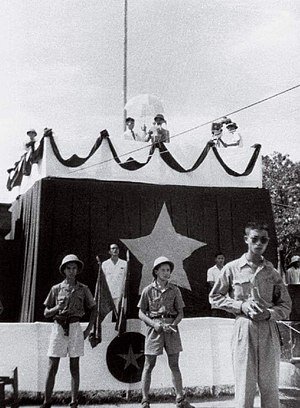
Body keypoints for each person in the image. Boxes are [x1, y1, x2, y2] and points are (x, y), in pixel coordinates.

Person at [209, 221, 292, 408]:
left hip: (268, 329)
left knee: (270, 386)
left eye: (264, 240)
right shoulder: (231, 268)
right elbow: (214, 297)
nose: (259, 243)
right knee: (244, 385)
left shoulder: (272, 272)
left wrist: (270, 313)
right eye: (255, 239)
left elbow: (286, 305)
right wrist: (240, 306)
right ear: (246, 239)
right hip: (244, 328)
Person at [138, 256, 195, 408]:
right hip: (154, 328)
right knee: (148, 365)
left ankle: (180, 399)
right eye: (162, 270)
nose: (166, 273)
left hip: (171, 329)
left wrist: (174, 325)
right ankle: (144, 400)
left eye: (168, 270)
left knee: (174, 365)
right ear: (156, 271)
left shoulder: (174, 290)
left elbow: (180, 313)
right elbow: (141, 313)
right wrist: (153, 324)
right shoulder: (148, 290)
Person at [41, 254, 97, 408]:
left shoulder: (83, 289)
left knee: (74, 366)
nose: (72, 271)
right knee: (52, 365)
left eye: (74, 268)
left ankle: (74, 401)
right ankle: (47, 401)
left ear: (77, 270)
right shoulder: (56, 289)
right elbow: (46, 313)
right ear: (64, 270)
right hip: (59, 327)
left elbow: (94, 309)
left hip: (75, 327)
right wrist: (57, 307)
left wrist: (88, 330)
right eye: (68, 268)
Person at [101, 243, 127, 312]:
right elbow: (103, 280)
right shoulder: (105, 264)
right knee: (108, 316)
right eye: (113, 248)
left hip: (120, 295)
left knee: (120, 316)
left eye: (117, 248)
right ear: (109, 251)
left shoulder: (124, 263)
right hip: (108, 295)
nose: (115, 250)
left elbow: (126, 279)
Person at [207, 252, 231, 318]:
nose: (221, 260)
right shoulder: (211, 270)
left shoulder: (227, 269)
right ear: (215, 259)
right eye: (219, 258)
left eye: (222, 258)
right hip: (216, 298)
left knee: (227, 318)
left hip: (227, 298)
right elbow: (211, 284)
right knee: (215, 317)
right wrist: (223, 287)